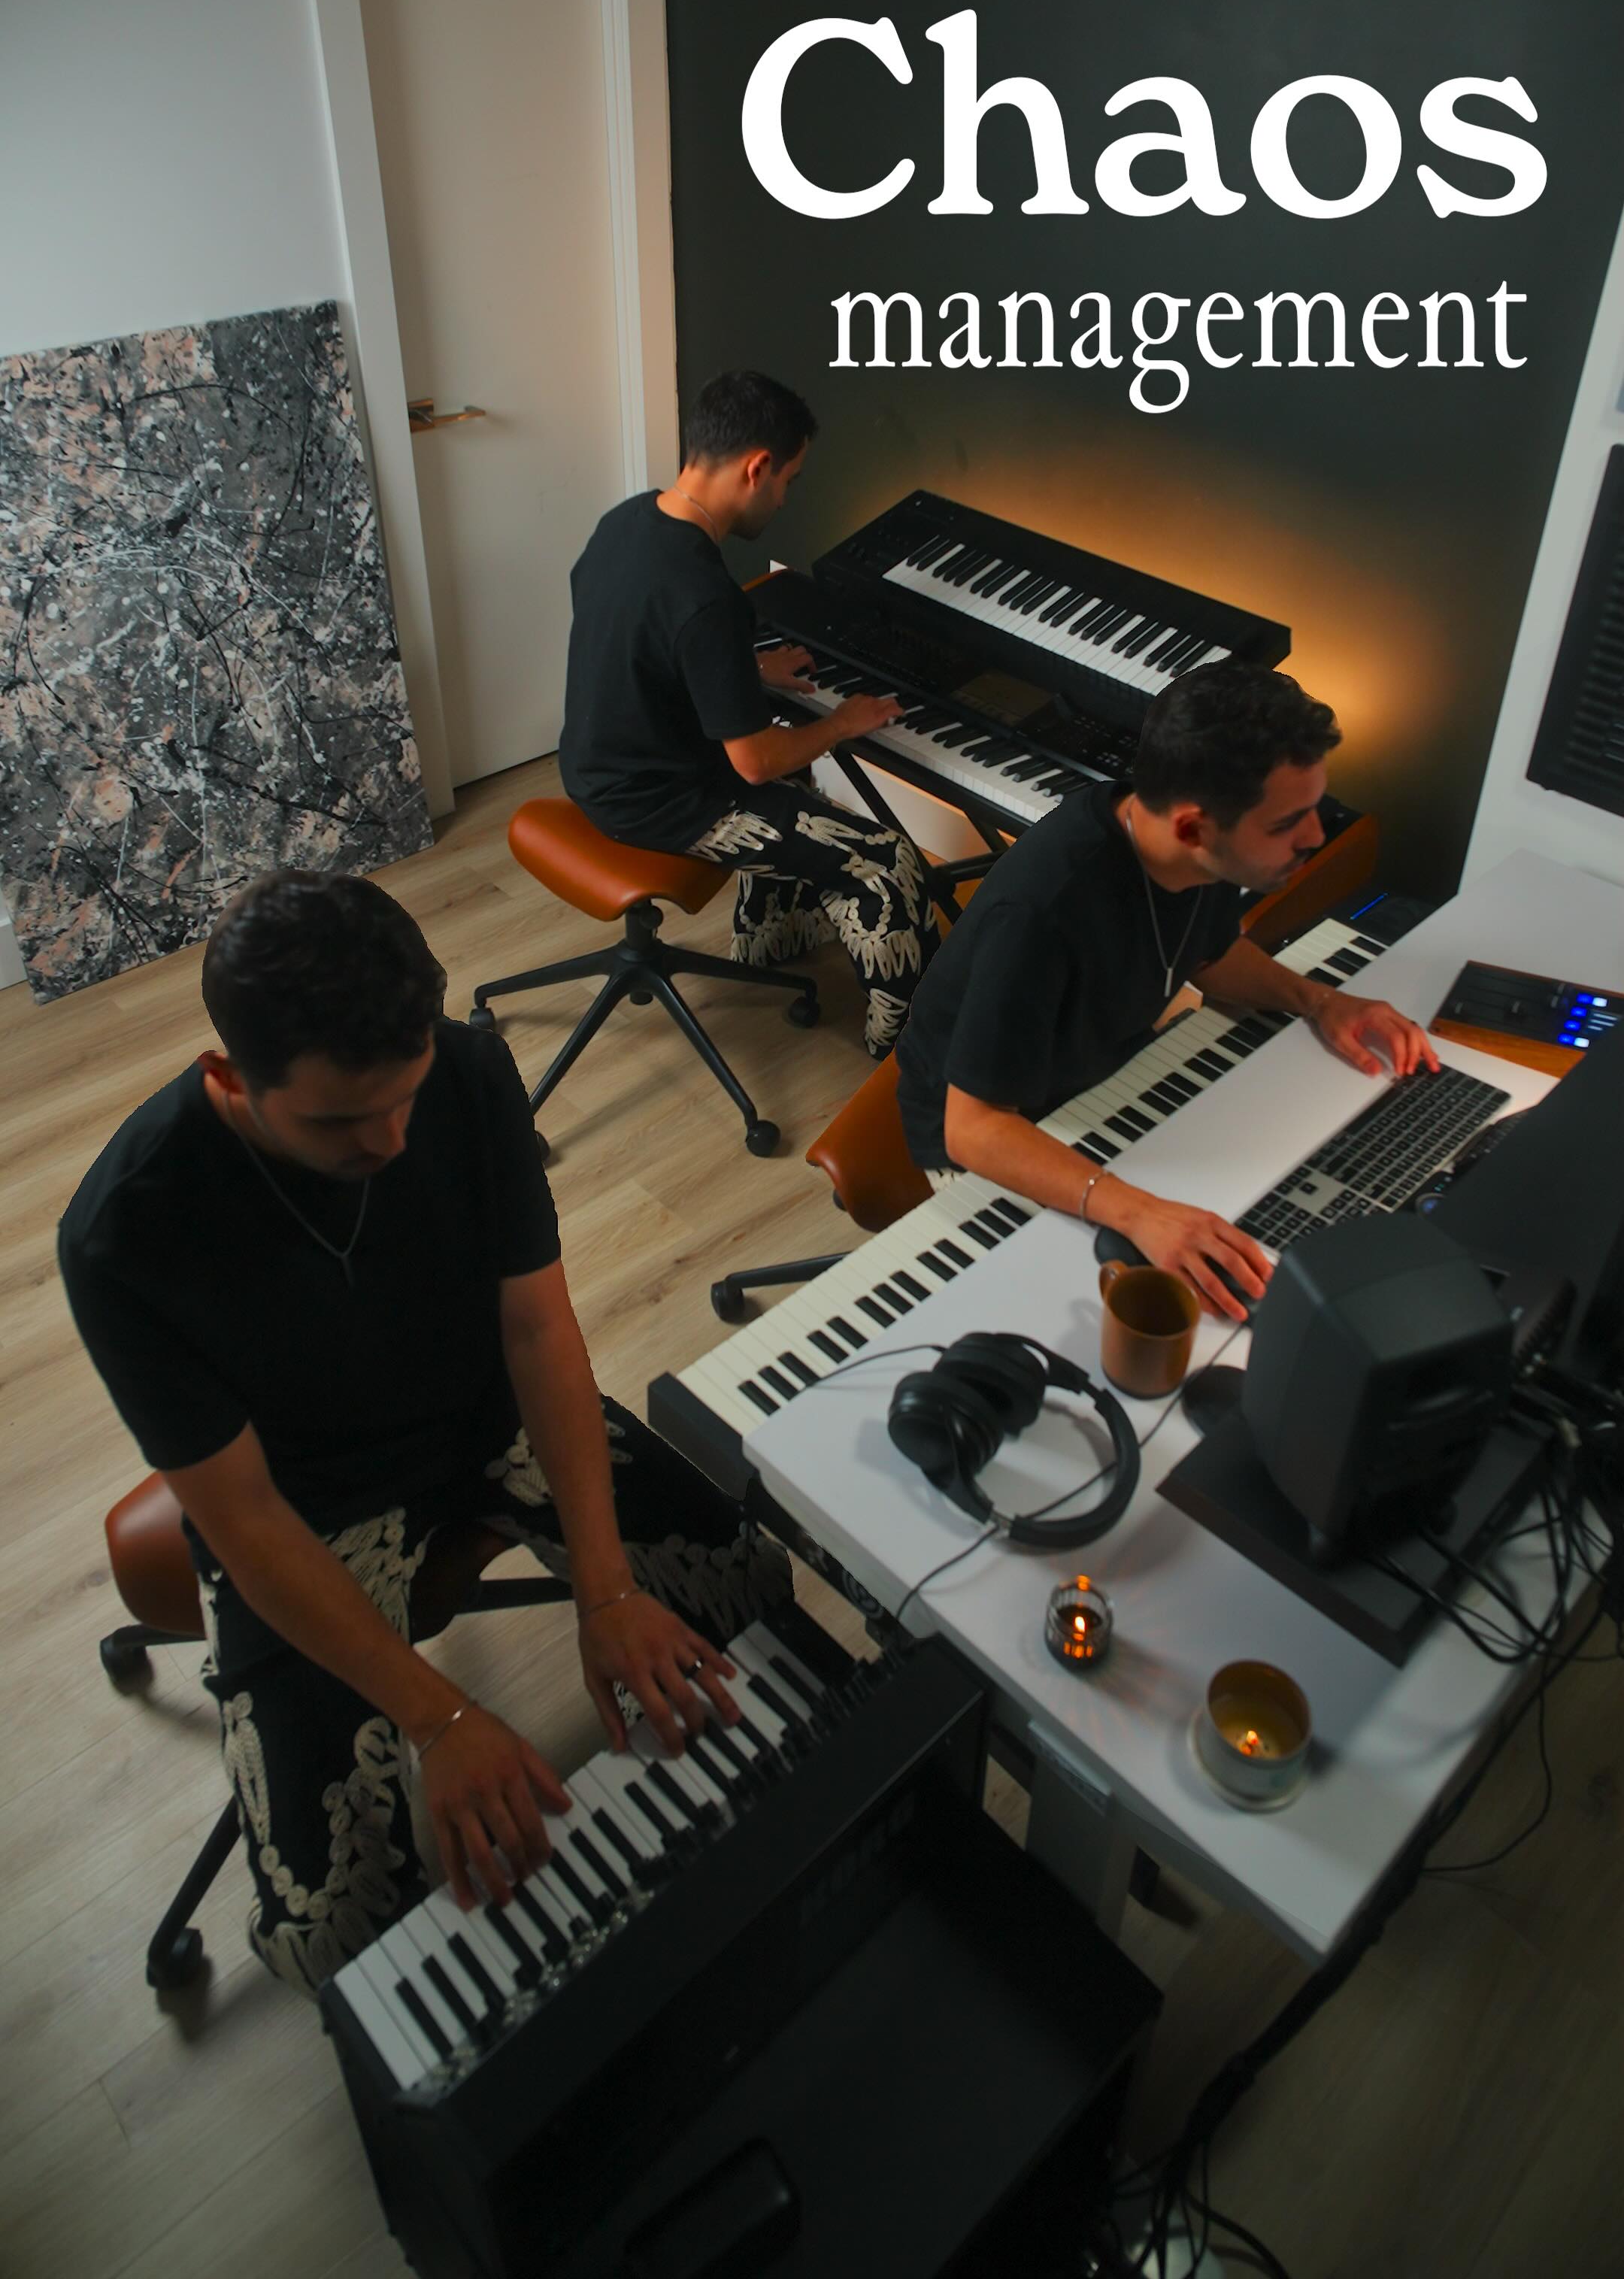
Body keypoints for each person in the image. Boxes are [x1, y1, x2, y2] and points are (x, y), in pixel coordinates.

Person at [59, 871, 789, 1994]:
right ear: (228, 1078)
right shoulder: (125, 1232)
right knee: (336, 1928)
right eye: (339, 1121)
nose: (392, 1140)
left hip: (483, 1422)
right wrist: (441, 1719)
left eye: (404, 1098)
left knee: (753, 1594)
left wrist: (605, 1593)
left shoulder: (473, 1070)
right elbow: (246, 1522)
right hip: (305, 1505)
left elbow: (538, 1331)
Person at [894, 662, 1438, 1320]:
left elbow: (1209, 956)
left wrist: (1320, 1001)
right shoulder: (1042, 915)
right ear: (1192, 829)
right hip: (994, 1131)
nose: (1316, 837)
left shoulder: (1189, 850)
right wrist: (1139, 1212)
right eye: (1286, 824)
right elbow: (973, 1131)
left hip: (1095, 1083)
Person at [559, 370, 932, 1058]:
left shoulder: (626, 522)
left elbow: (642, 643)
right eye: (789, 479)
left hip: (594, 768)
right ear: (757, 468)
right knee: (888, 862)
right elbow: (755, 762)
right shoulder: (706, 593)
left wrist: (745, 671)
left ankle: (771, 943)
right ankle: (907, 1051)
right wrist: (841, 723)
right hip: (659, 803)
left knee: (801, 784)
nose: (786, 497)